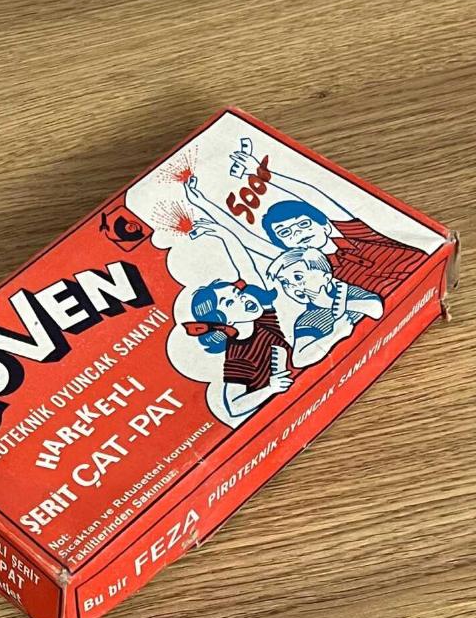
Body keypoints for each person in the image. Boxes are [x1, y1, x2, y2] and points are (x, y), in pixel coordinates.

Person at [184, 151, 428, 297]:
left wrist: (261, 173)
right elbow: (247, 239)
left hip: (423, 268)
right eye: (285, 233)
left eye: (303, 224)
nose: (298, 233)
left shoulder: (356, 231)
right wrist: (202, 203)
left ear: (324, 225)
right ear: (286, 248)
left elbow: (313, 195)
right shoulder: (315, 269)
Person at [183, 280, 294, 418]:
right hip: (283, 407)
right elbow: (234, 407)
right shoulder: (238, 357)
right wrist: (270, 388)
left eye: (239, 293)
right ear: (224, 320)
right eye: (230, 302)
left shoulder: (261, 321)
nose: (242, 299)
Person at [267, 247, 384, 368]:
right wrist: (336, 334)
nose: (292, 286)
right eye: (285, 282)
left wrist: (330, 303)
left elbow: (377, 309)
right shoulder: (307, 320)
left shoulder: (346, 291)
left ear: (326, 278)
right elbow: (299, 360)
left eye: (298, 277)